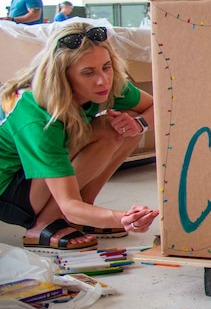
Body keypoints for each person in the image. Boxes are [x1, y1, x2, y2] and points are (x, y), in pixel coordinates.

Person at [0, 22, 160, 251]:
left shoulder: (107, 85)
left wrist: (139, 123)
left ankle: (83, 214)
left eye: (106, 67)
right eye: (88, 72)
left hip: (38, 180)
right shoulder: (41, 117)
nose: (102, 80)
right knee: (106, 132)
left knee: (120, 125)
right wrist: (122, 218)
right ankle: (43, 223)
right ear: (63, 77)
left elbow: (157, 106)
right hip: (11, 192)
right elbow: (68, 203)